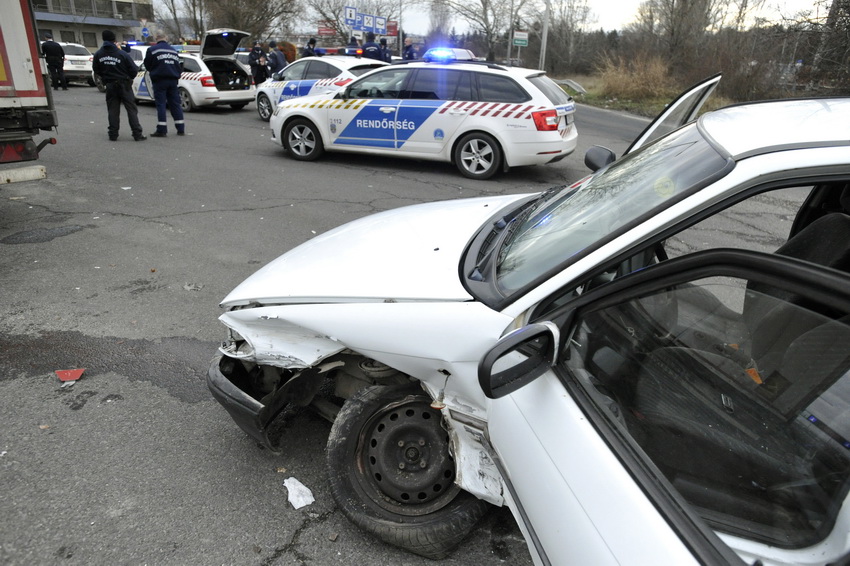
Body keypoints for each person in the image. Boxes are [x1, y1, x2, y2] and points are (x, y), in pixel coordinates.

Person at [92, 30, 146, 141]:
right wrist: (128, 77)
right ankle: (137, 134)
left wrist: (105, 77)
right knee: (131, 109)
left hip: (110, 84)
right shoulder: (122, 54)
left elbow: (96, 69)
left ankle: (113, 134)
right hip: (124, 84)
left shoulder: (98, 54)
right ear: (114, 39)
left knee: (112, 110)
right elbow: (134, 70)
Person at [143, 32, 185, 137]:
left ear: (156, 38)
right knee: (175, 105)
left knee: (161, 105)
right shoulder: (173, 50)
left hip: (159, 80)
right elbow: (179, 66)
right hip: (173, 81)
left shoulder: (152, 50)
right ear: (166, 38)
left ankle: (162, 129)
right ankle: (181, 128)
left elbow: (147, 65)